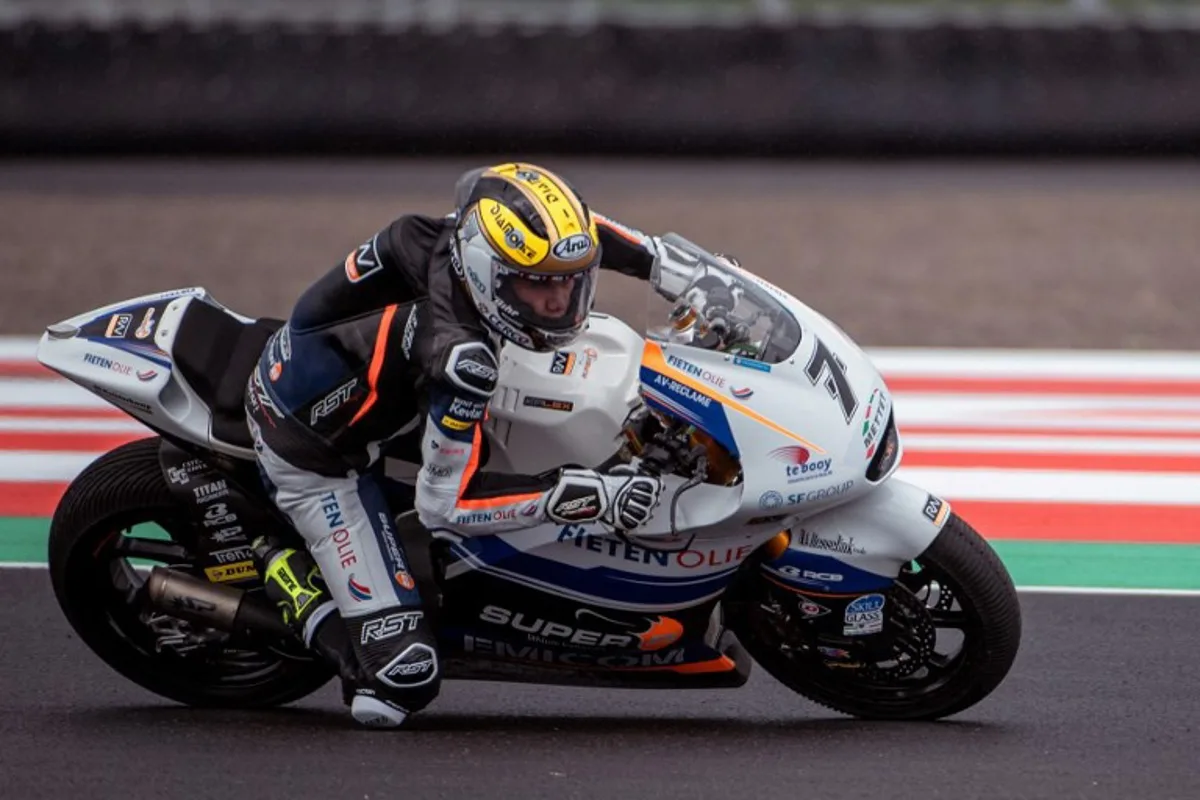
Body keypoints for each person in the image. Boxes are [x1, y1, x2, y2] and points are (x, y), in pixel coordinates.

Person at [243, 162, 668, 728]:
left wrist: (686, 272)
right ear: (492, 274)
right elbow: (444, 507)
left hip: (363, 381)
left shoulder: (458, 235)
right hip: (314, 453)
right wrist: (580, 497)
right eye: (538, 284)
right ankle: (288, 575)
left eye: (569, 280)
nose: (559, 302)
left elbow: (599, 239)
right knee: (401, 682)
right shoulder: (461, 359)